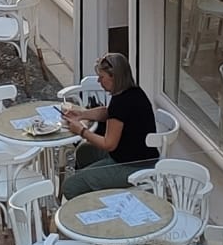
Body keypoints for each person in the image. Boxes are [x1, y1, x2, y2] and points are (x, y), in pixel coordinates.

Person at [58, 52, 159, 200]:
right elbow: (109, 112)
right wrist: (81, 114)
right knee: (84, 151)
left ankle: (89, 204)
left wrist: (81, 130)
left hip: (135, 166)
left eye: (102, 77)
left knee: (71, 186)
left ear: (114, 77)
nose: (99, 81)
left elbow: (109, 144)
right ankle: (93, 189)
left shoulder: (122, 103)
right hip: (132, 155)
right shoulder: (132, 92)